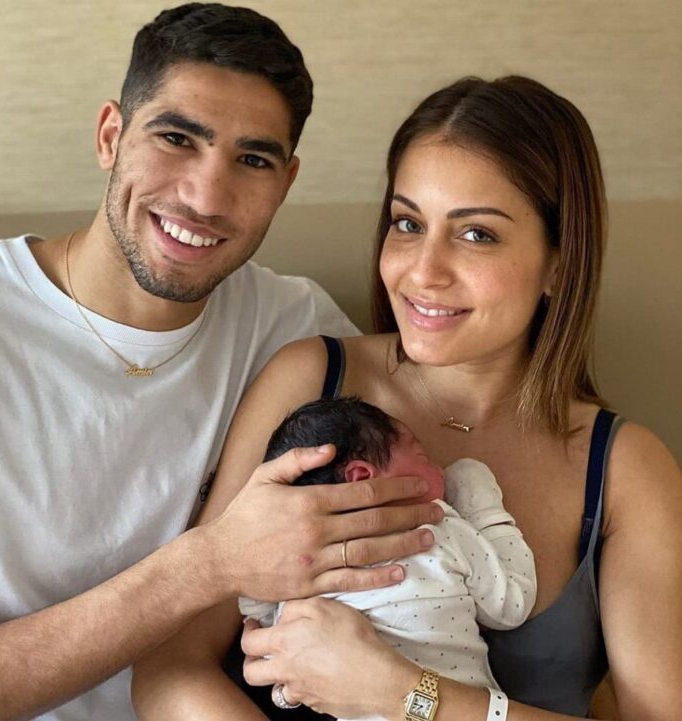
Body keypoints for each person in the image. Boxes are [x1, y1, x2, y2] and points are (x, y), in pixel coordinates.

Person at [0, 5, 445, 721]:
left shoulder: (299, 327)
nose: (206, 197)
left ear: (286, 181)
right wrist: (209, 562)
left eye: (253, 160)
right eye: (176, 138)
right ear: (110, 136)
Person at [131, 76, 681, 720]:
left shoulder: (625, 469)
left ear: (559, 263)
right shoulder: (312, 380)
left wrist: (402, 692)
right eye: (408, 223)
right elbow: (171, 670)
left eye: (477, 234)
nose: (423, 271)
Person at [238, 395, 537, 720]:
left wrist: (256, 583)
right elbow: (511, 605)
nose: (439, 468)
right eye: (423, 457)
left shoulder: (301, 572)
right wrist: (481, 505)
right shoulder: (436, 530)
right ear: (361, 478)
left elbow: (273, 642)